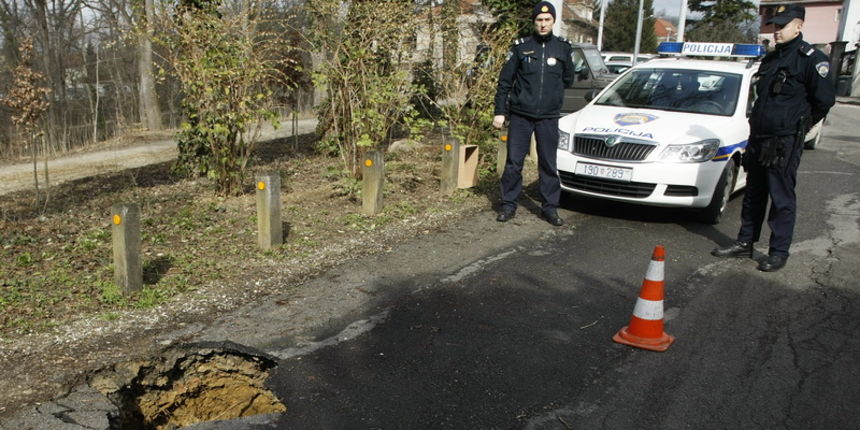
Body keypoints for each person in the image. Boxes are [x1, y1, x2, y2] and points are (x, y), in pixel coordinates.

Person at [711, 4, 835, 272]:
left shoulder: (811, 60)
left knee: (781, 198)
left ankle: (779, 251)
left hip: (785, 140)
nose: (777, 31)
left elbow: (824, 102)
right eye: (775, 26)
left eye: (783, 26)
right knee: (754, 193)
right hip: (759, 138)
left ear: (799, 26)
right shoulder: (771, 58)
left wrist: (798, 127)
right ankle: (745, 243)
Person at [492, 1, 575, 226]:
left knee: (548, 164)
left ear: (553, 22)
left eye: (547, 20)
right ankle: (508, 205)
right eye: (539, 20)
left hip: (548, 116)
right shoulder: (521, 47)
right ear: (534, 22)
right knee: (513, 163)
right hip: (521, 115)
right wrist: (500, 112)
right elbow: (504, 82)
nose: (543, 24)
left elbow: (569, 79)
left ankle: (550, 208)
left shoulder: (563, 48)